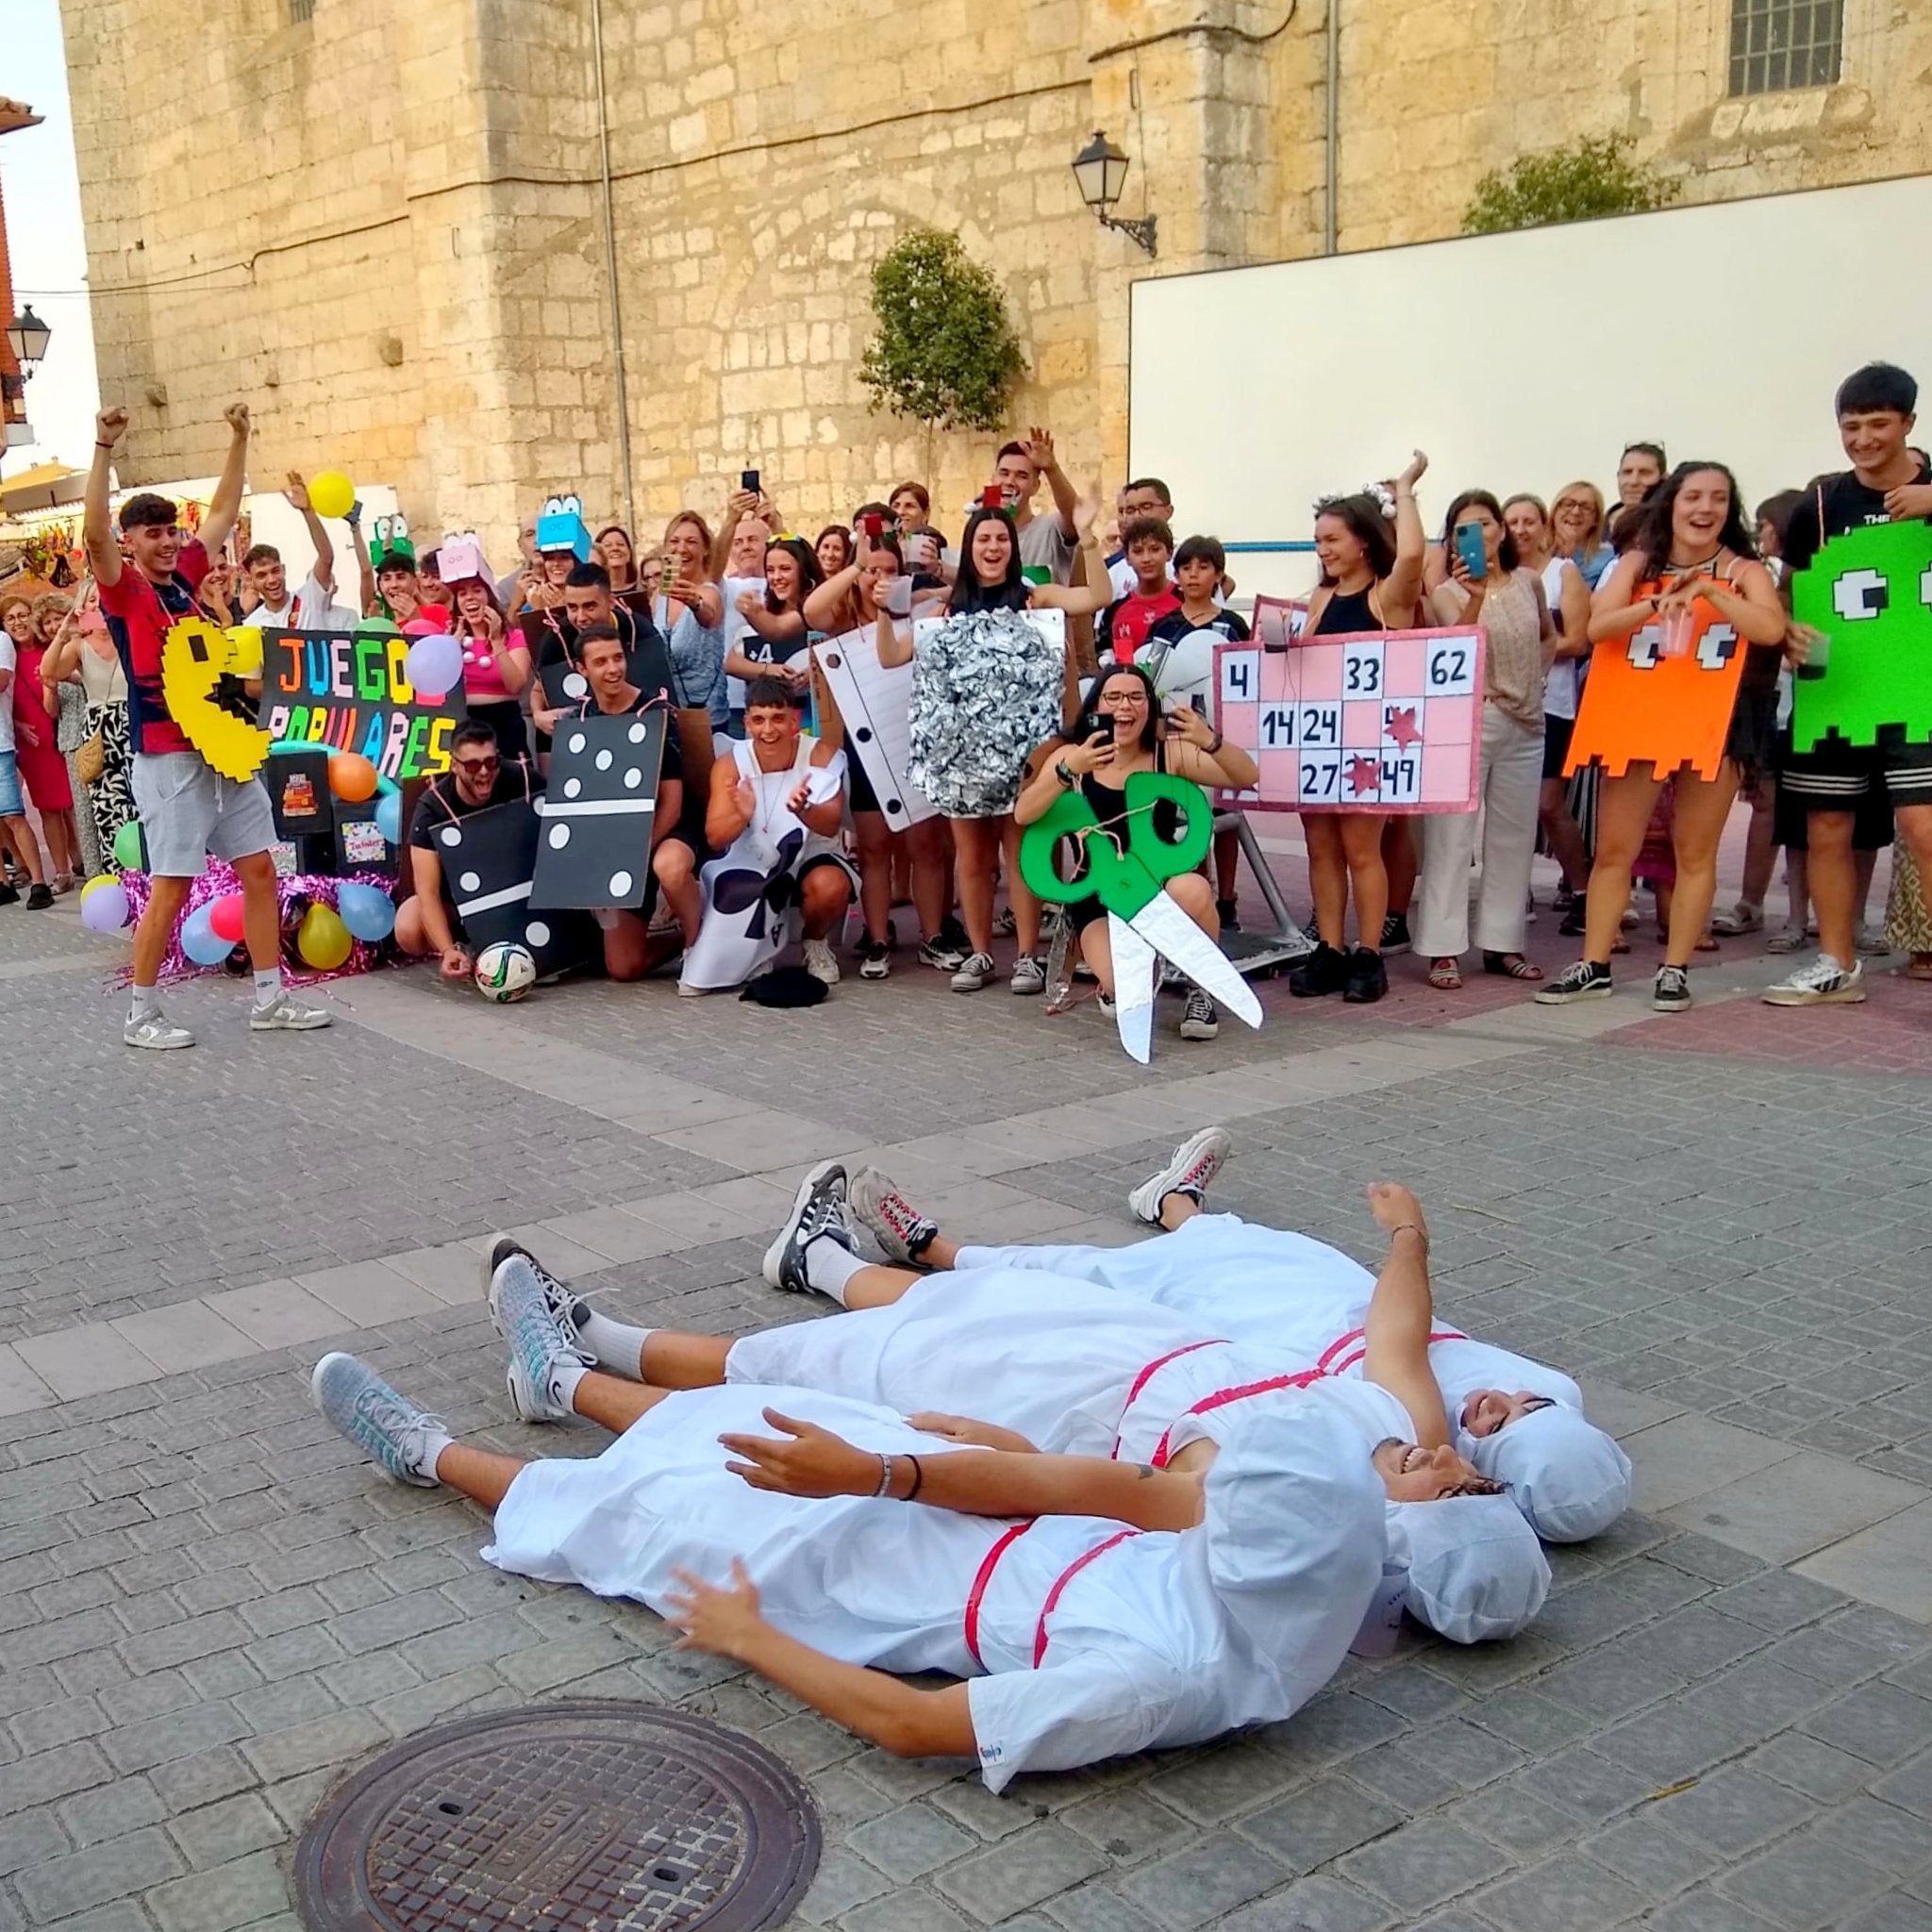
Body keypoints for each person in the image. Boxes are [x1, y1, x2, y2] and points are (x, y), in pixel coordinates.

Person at [313, 1244, 1389, 1790]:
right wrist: (967, 1453)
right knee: (757, 1424)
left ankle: (435, 1457)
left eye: (1228, 1470)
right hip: (970, 1500)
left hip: (884, 1586)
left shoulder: (1162, 1679)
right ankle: (562, 1383)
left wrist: (750, 1635)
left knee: (644, 1511)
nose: (1207, 1464)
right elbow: (1084, 1494)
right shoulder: (1289, 1553)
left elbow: (913, 1725)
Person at [509, 1163, 1548, 1643]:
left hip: (1069, 1395)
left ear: (1400, 1550)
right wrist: (1409, 1239)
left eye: (1445, 1495)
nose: (1448, 1464)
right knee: (945, 1298)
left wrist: (897, 1471)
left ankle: (581, 1354)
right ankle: (658, 1321)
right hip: (1152, 1343)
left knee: (841, 1367)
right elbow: (1395, 1339)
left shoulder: (1261, 1505)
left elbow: (1067, 1481)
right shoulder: (1403, 1431)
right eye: (1468, 1475)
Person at [828, 1130, 1628, 1545]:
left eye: (1498, 1427)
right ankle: (1175, 1201)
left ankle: (931, 1249)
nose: (1501, 1401)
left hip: (1250, 1349)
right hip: (1324, 1307)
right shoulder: (1531, 1402)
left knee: (1080, 1287)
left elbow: (1398, 1348)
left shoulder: (1404, 1453)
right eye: (1529, 1403)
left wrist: (1410, 1237)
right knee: (1242, 1242)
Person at [85, 402, 330, 1047]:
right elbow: (92, 540)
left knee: (260, 871)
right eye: (153, 534)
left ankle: (271, 999)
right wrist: (103, 448)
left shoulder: (184, 582)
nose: (168, 542)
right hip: (169, 758)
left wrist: (241, 438)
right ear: (131, 541)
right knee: (171, 884)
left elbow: (221, 515)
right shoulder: (125, 591)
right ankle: (141, 1012)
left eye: (171, 532)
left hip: (225, 750)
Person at [1538, 461, 1789, 1012]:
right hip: (1638, 719)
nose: (1705, 509)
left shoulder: (1746, 571)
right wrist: (1657, 600)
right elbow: (1598, 628)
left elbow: (1769, 629)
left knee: (1694, 852)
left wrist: (1709, 591)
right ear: (1671, 504)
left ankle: (1674, 968)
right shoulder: (1635, 563)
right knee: (1614, 851)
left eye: (1718, 499)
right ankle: (1595, 964)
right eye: (1693, 497)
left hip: (1714, 723)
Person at [889, 503, 1108, 992]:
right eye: (983, 540)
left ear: (1012, 546)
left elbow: (1097, 595)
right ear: (968, 549)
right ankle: (982, 952)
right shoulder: (945, 610)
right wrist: (886, 605)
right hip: (963, 757)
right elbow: (891, 656)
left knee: (1021, 849)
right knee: (972, 858)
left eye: (1001, 539)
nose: (993, 548)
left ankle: (1028, 956)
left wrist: (1088, 535)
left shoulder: (1036, 597)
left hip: (1026, 755)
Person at [1765, 362, 1932, 1007]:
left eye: (1878, 425)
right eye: (1851, 426)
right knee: (1828, 826)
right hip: (1834, 687)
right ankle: (1836, 963)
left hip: (1917, 689)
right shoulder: (1821, 506)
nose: (1863, 439)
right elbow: (1788, 591)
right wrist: (1786, 632)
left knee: (1923, 828)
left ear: (1909, 424)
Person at [1014, 664, 1258, 1041]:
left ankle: (1201, 988)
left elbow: (1246, 776)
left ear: (1149, 707)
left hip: (1158, 881)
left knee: (1192, 889)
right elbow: (1024, 813)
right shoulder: (1073, 755)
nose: (1124, 706)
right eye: (1113, 697)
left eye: (1135, 697)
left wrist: (1209, 739)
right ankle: (1128, 975)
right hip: (1097, 891)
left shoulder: (1168, 753)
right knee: (1123, 984)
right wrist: (1067, 770)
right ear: (1097, 705)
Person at [1289, 454, 1430, 1006]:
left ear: (1363, 542)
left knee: (1361, 849)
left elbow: (1414, 553)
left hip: (1368, 742)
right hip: (1318, 738)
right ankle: (1329, 946)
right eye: (1318, 540)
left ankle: (1368, 953)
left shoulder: (1387, 597)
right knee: (1319, 848)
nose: (1322, 549)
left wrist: (1406, 493)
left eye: (1332, 539)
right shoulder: (1320, 598)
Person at [1416, 492, 1557, 989]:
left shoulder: (1529, 582)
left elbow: (1548, 635)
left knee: (1513, 835)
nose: (1477, 534)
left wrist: (1534, 681)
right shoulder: (1445, 592)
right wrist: (1473, 594)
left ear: (1501, 528)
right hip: (1469, 720)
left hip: (1525, 721)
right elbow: (1454, 647)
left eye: (1484, 524)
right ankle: (1441, 947)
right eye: (1462, 528)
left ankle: (1502, 942)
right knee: (1451, 837)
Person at [810, 531, 963, 977]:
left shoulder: (922, 609)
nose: (879, 578)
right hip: (866, 747)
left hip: (915, 742)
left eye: (888, 570)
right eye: (871, 570)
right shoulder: (842, 618)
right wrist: (856, 569)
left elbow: (965, 591)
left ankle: (932, 937)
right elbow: (812, 610)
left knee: (927, 847)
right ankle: (877, 939)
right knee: (874, 847)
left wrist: (929, 581)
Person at [680, 676, 856, 992]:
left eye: (778, 719)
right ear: (746, 722)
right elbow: (715, 836)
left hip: (812, 851)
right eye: (759, 720)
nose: (768, 730)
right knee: (733, 884)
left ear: (794, 720)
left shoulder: (821, 755)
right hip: (751, 853)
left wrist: (804, 810)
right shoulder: (730, 763)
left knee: (830, 885)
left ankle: (814, 942)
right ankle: (744, 956)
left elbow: (830, 824)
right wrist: (741, 814)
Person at [564, 624, 698, 979]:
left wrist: (639, 851)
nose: (613, 669)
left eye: (618, 658)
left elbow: (673, 801)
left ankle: (700, 946)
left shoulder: (656, 711)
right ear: (581, 669)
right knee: (624, 968)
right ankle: (680, 936)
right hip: (614, 842)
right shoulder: (576, 719)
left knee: (669, 865)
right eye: (601, 662)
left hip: (665, 829)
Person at [1147, 536, 1251, 927]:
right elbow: (1150, 682)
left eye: (1203, 567)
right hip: (1176, 738)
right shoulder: (1164, 626)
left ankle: (1227, 899)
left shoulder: (1232, 625)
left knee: (1225, 815)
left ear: (1219, 575)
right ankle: (1195, 891)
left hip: (1220, 737)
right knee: (1185, 817)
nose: (1193, 574)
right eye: (1186, 567)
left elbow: (1247, 680)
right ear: (1176, 575)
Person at [395, 719, 542, 979]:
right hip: (458, 900)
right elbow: (427, 891)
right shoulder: (433, 807)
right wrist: (446, 949)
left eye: (491, 762)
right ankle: (463, 949)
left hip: (519, 887)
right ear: (454, 765)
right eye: (473, 765)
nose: (484, 772)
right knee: (408, 927)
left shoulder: (524, 780)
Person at [1504, 494, 1592, 915]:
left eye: (1528, 520)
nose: (1521, 529)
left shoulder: (1563, 573)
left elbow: (1578, 639)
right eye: (1512, 521)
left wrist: (1527, 649)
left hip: (1552, 705)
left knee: (1548, 804)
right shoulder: (1495, 577)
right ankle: (1513, 891)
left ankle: (1583, 889)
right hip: (1505, 704)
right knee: (1507, 806)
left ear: (1544, 525)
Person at [43, 585, 134, 877]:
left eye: (105, 599)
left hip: (134, 723)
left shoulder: (130, 636)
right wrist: (64, 631)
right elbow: (50, 672)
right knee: (108, 808)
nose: (100, 605)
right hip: (99, 730)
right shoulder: (79, 647)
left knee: (143, 802)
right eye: (92, 600)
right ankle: (120, 879)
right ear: (84, 607)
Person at [4, 594, 81, 891]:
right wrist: (18, 725)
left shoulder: (50, 649)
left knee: (73, 803)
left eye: (23, 615)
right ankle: (62, 872)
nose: (18, 622)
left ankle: (81, 860)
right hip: (31, 741)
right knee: (49, 809)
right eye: (11, 618)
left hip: (61, 731)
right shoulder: (7, 656)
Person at [238, 475, 353, 631]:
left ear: (283, 569)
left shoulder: (309, 598)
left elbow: (326, 557)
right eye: (261, 575)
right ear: (251, 581)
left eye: (275, 571)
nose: (271, 580)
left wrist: (308, 512)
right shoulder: (252, 625)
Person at [653, 512, 729, 741]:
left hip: (707, 720)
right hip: (668, 717)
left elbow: (709, 617)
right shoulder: (658, 596)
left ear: (705, 549)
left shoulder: (709, 592)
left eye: (691, 542)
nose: (681, 549)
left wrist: (694, 603)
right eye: (674, 542)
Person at [448, 572, 532, 762]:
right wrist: (451, 649)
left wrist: (496, 641)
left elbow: (516, 686)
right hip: (464, 725)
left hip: (506, 724)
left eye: (477, 590)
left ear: (490, 597)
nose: (469, 597)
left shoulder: (514, 636)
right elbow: (439, 691)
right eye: (462, 593)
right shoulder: (450, 638)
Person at [0, 598, 50, 908]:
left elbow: (2, 680)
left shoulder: (2, 640)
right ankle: (3, 883)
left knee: (14, 815)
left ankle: (38, 881)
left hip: (0, 742)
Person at [993, 430, 1081, 586]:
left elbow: (1075, 515)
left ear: (1035, 486)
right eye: (1004, 473)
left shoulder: (1049, 529)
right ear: (993, 479)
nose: (1010, 482)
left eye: (1022, 476)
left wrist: (1052, 469)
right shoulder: (981, 536)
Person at [1094, 519, 1182, 666]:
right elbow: (1108, 662)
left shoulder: (1187, 601)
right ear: (1127, 558)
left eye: (1155, 549)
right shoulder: (1115, 611)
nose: (1146, 559)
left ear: (1169, 553)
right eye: (1138, 551)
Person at [1105, 478, 1177, 596]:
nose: (1137, 516)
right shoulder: (1114, 572)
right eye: (1130, 510)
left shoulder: (1189, 564)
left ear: (1168, 511)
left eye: (1146, 507)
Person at [494, 520, 538, 610]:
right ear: (520, 545)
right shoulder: (505, 588)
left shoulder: (569, 577)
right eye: (530, 535)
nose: (537, 540)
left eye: (543, 532)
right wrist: (517, 602)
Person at [1615, 441, 1667, 515]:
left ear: (1663, 479)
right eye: (1627, 472)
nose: (1633, 481)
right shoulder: (1599, 523)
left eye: (1644, 473)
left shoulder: (1675, 523)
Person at [593, 524, 641, 598]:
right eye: (608, 545)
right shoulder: (592, 593)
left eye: (621, 544)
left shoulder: (642, 590)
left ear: (629, 554)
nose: (615, 548)